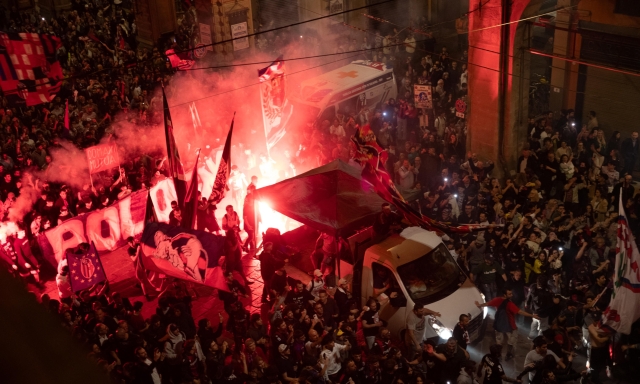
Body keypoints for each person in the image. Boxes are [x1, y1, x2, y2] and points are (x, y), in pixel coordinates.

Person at [475, 288, 539, 360]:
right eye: (509, 294)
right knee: (512, 341)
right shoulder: (510, 304)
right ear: (505, 295)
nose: (511, 295)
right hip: (510, 325)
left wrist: (479, 305)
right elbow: (520, 312)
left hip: (499, 324)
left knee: (499, 341)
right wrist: (532, 315)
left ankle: (498, 354)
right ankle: (509, 354)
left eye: (511, 293)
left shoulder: (497, 300)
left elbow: (488, 303)